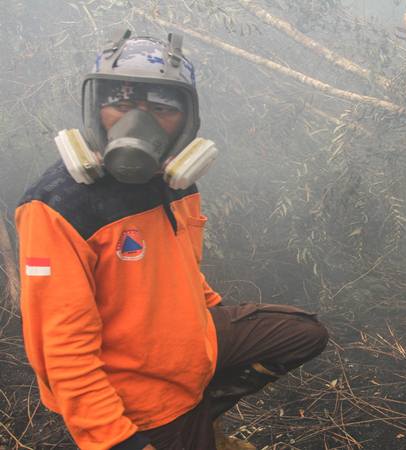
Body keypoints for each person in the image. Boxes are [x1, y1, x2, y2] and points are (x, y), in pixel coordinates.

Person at [16, 31, 328, 450]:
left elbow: (179, 264)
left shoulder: (176, 181)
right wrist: (116, 440)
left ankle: (202, 405)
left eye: (161, 108)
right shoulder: (58, 205)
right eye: (122, 105)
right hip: (141, 397)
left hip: (183, 346)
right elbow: (63, 350)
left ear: (186, 118)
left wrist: (210, 315)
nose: (137, 123)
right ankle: (181, 424)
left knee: (302, 334)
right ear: (96, 108)